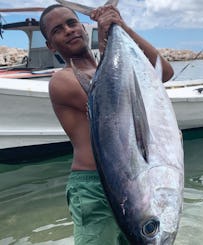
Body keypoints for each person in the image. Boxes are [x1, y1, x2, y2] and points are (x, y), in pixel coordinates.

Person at [39, 3, 174, 245]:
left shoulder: (113, 65)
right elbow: (110, 102)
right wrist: (106, 37)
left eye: (71, 23)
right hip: (93, 187)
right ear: (50, 45)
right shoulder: (62, 81)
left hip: (135, 181)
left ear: (82, 27)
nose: (68, 30)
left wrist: (121, 28)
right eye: (58, 30)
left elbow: (163, 72)